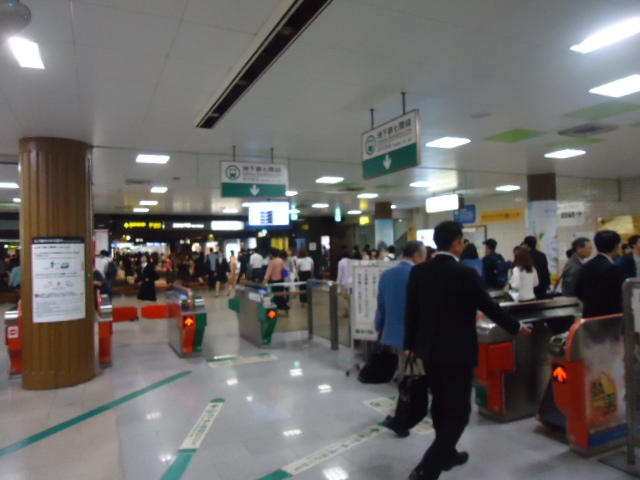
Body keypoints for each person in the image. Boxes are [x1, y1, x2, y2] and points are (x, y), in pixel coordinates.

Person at [405, 221, 527, 480]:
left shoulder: (419, 271)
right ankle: (427, 469)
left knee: (440, 404)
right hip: (457, 352)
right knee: (459, 413)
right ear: (456, 243)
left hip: (429, 350)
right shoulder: (464, 273)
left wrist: (409, 345)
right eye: (462, 241)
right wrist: (516, 327)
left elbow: (412, 311)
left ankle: (448, 454)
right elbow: (489, 306)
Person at [576, 230, 625, 318]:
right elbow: (618, 297)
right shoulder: (613, 268)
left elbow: (579, 292)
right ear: (616, 246)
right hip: (608, 318)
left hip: (589, 316)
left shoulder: (587, 265)